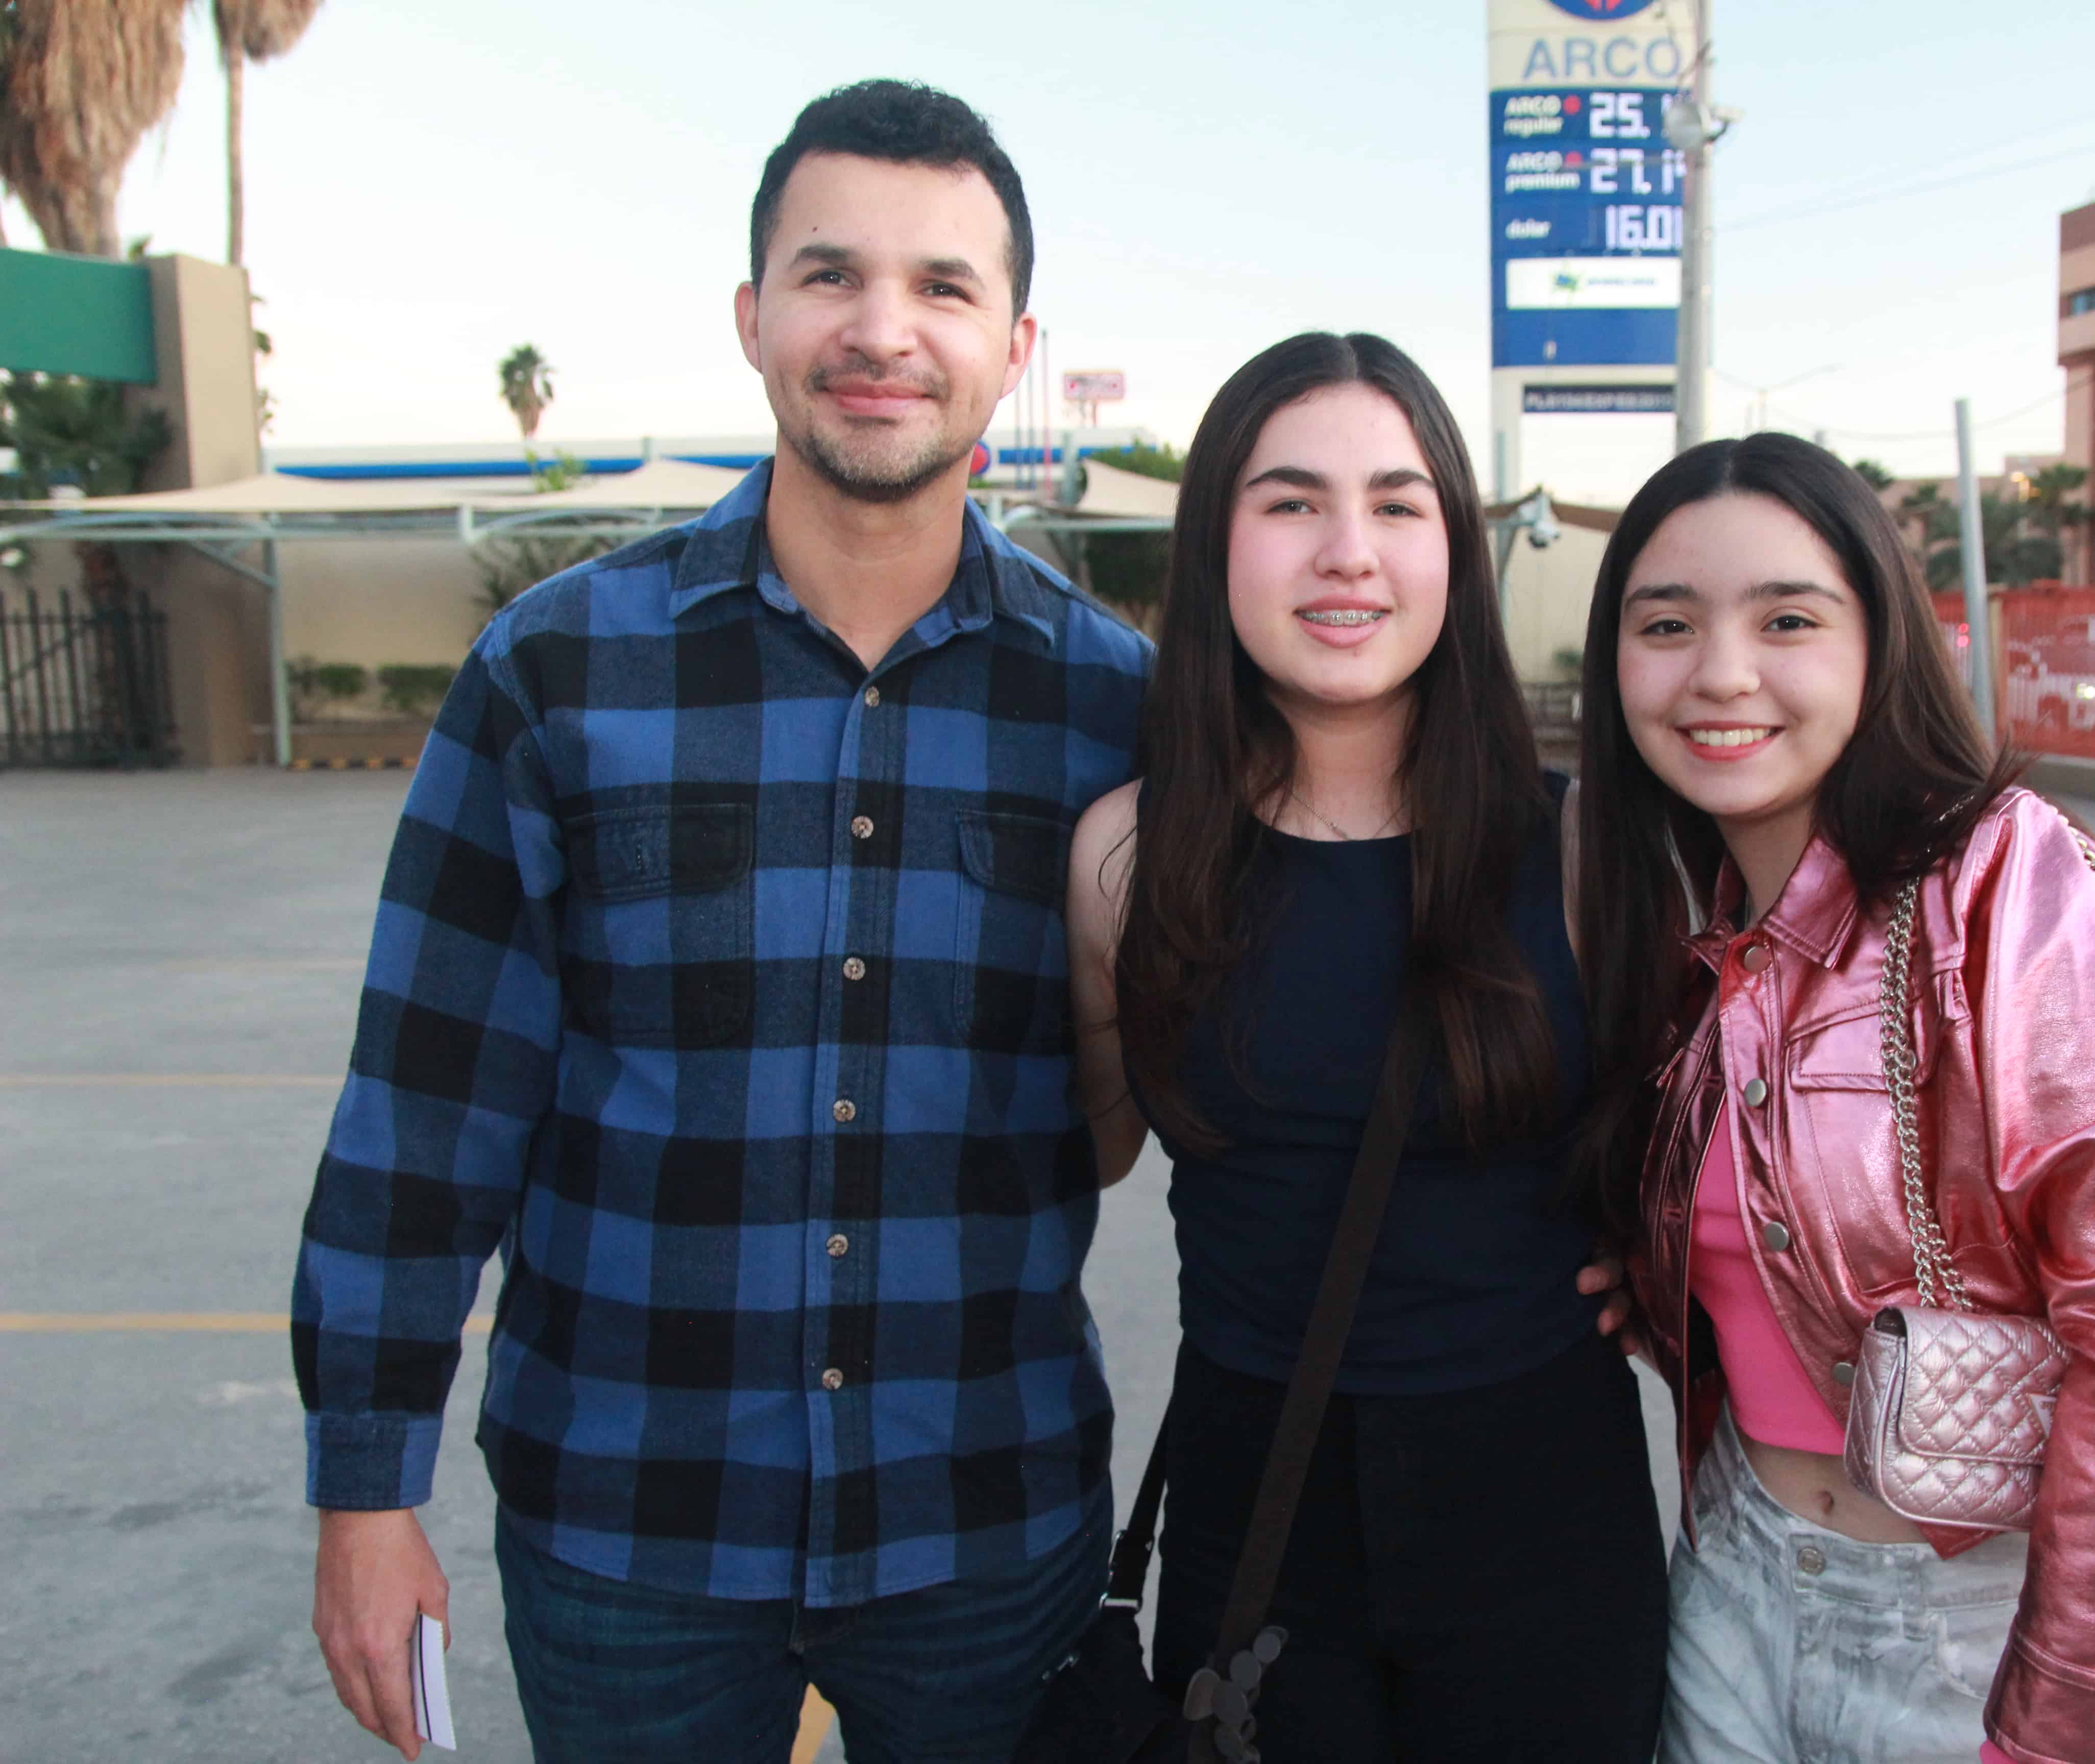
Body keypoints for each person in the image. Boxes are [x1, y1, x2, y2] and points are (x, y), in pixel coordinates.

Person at [293, 80, 1152, 1764]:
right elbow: (425, 1108)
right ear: (753, 314)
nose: (881, 330)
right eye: (830, 275)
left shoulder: (1115, 707)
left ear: (1012, 342)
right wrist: (363, 1493)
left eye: (943, 287)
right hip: (628, 1531)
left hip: (982, 1520)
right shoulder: (555, 670)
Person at [1571, 434, 2095, 1764]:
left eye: (1787, 618)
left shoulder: (2009, 887)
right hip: (1731, 1579)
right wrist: (1668, 1269)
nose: (1721, 672)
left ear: (1879, 641)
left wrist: (2061, 1728)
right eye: (1665, 625)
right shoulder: (1698, 933)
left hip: (1963, 1629)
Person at [1061, 331, 1669, 1761]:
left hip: (1547, 1525)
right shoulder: (1129, 860)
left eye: (1399, 506)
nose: (1349, 552)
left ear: (1454, 550)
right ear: (1215, 542)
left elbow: (1712, 1140)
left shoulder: (1586, 849)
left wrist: (1674, 1268)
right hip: (1257, 1519)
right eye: (1290, 503)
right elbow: (1089, 1146)